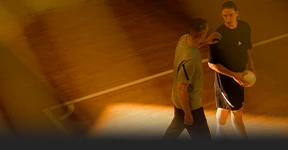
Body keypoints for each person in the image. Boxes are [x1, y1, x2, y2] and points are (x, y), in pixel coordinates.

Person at [162, 18, 221, 140]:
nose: (207, 32)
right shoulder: (190, 61)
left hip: (179, 102)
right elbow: (181, 89)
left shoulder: (184, 39)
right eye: (206, 32)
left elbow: (194, 45)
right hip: (190, 106)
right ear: (200, 34)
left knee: (175, 127)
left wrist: (206, 41)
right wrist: (188, 114)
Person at [208, 1, 255, 139]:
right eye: (224, 16)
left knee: (223, 108)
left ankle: (218, 134)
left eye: (230, 15)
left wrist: (251, 65)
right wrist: (234, 75)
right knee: (237, 113)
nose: (227, 19)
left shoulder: (245, 27)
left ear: (237, 13)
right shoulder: (218, 36)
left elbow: (247, 48)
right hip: (226, 82)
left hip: (240, 76)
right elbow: (212, 64)